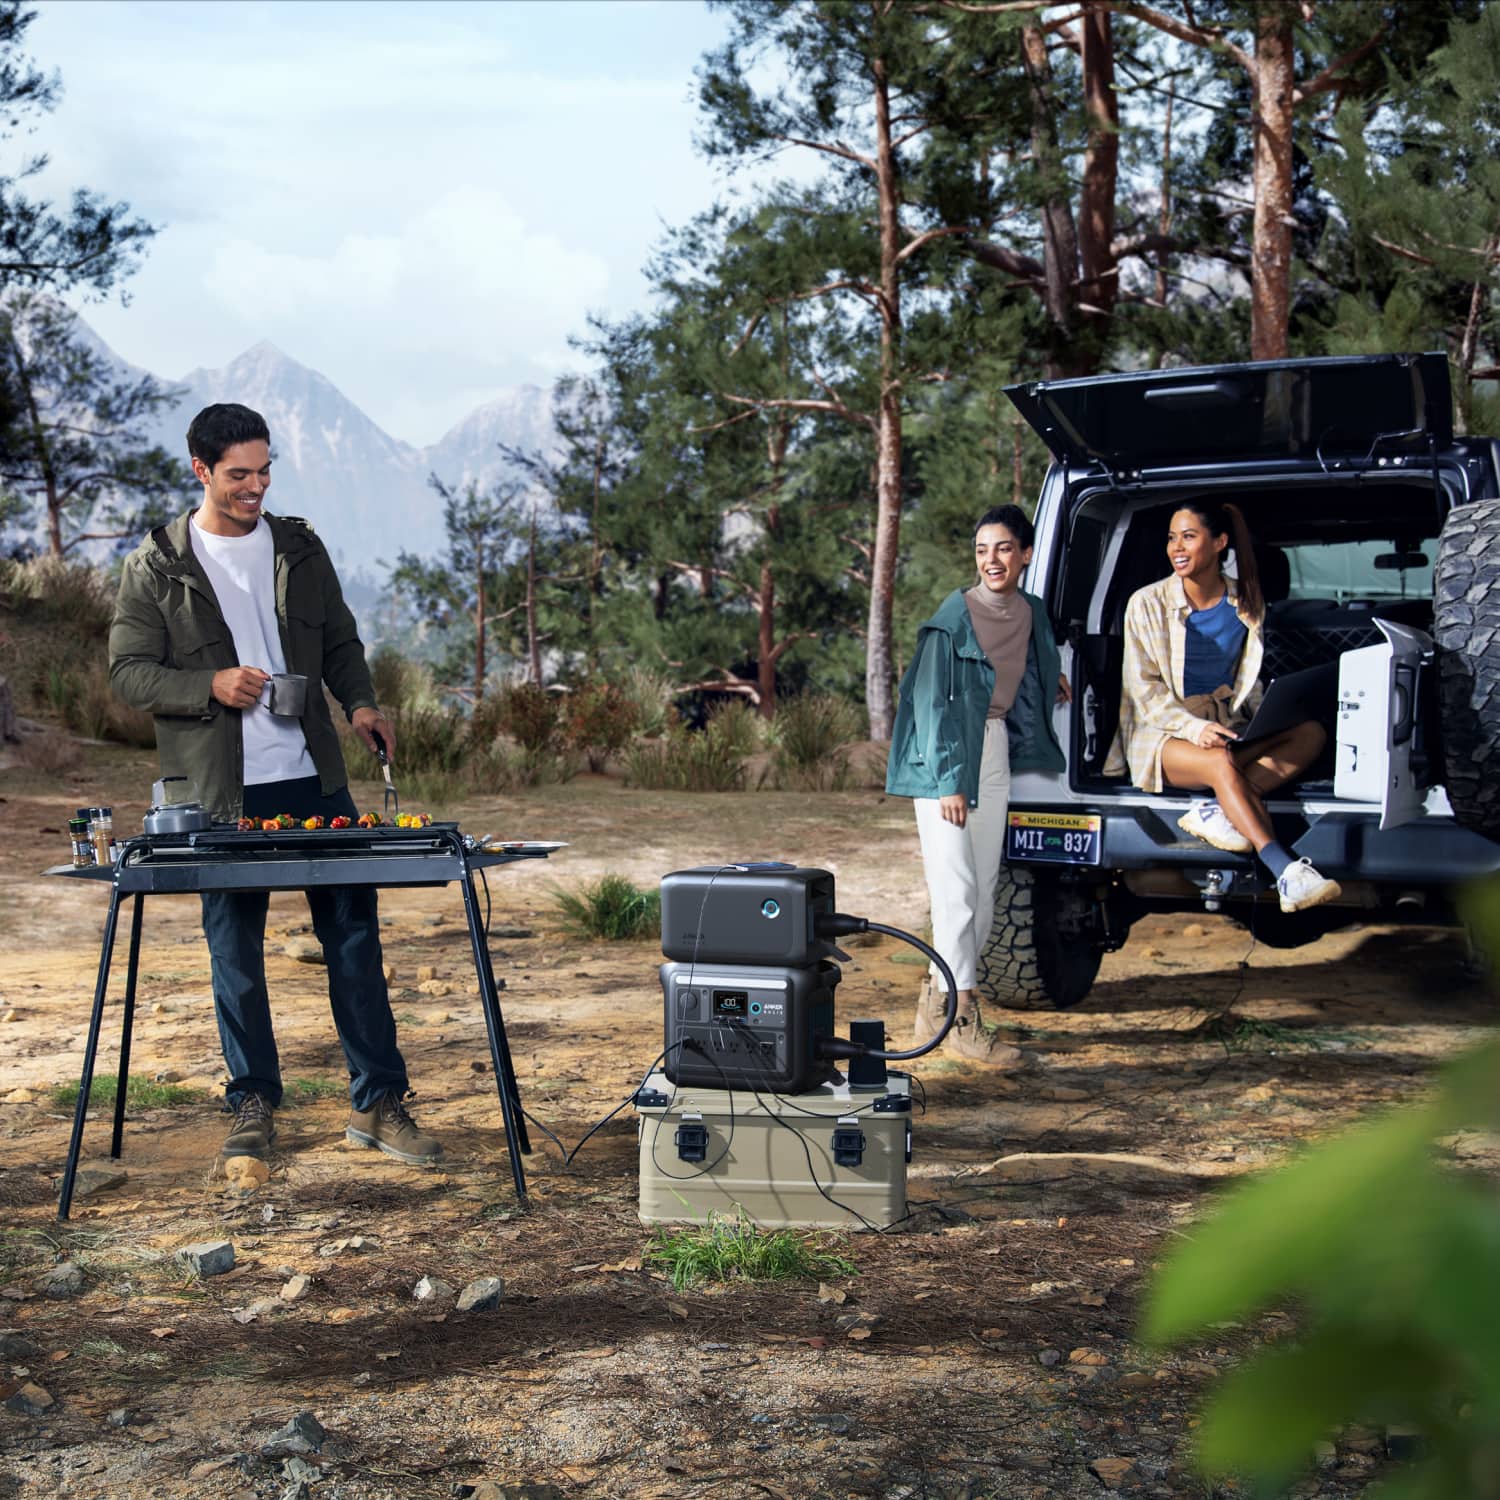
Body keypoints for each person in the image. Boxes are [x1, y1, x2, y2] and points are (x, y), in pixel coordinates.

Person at [109, 402, 442, 1167]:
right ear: (201, 469)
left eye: (264, 472)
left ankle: (379, 1103)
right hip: (219, 793)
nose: (255, 487)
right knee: (235, 950)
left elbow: (342, 642)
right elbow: (128, 673)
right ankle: (253, 1103)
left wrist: (360, 704)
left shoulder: (298, 547)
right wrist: (209, 683)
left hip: (314, 780)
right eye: (239, 475)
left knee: (353, 937)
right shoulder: (156, 566)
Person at [886, 504, 1069, 1062]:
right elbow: (930, 704)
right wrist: (949, 781)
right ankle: (963, 1018)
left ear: (1026, 555)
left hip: (992, 746)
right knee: (957, 889)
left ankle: (936, 1001)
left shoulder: (1031, 612)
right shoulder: (953, 617)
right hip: (943, 756)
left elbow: (1030, 657)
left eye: (1004, 548)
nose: (991, 560)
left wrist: (1051, 676)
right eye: (982, 549)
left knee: (984, 890)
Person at [1109, 500, 1340, 912]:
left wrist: (1266, 720)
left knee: (1310, 733)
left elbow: (1248, 680)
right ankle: (1286, 872)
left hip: (1225, 725)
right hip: (1161, 734)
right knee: (1219, 763)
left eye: (1189, 536)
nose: (1177, 547)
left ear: (1219, 543)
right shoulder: (1146, 602)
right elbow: (1143, 691)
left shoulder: (1245, 601)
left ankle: (1221, 810)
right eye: (1172, 538)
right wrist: (1194, 729)